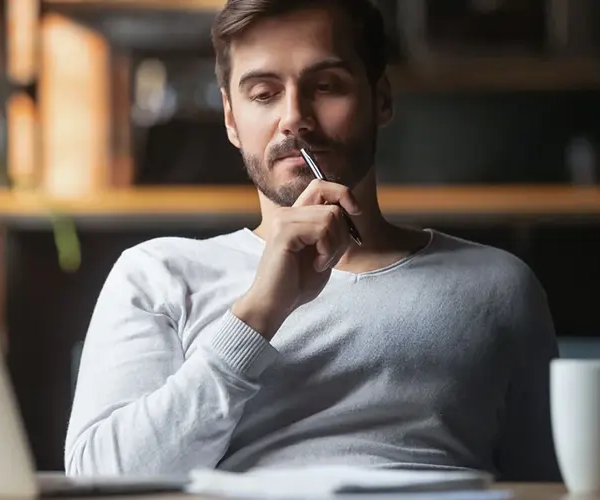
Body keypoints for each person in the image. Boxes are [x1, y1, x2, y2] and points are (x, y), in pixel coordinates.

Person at [65, 0, 561, 482]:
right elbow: (102, 482)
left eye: (325, 86)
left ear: (381, 100)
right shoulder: (158, 275)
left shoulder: (498, 286)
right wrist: (258, 314)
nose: (294, 118)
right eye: (264, 94)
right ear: (231, 119)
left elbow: (553, 487)